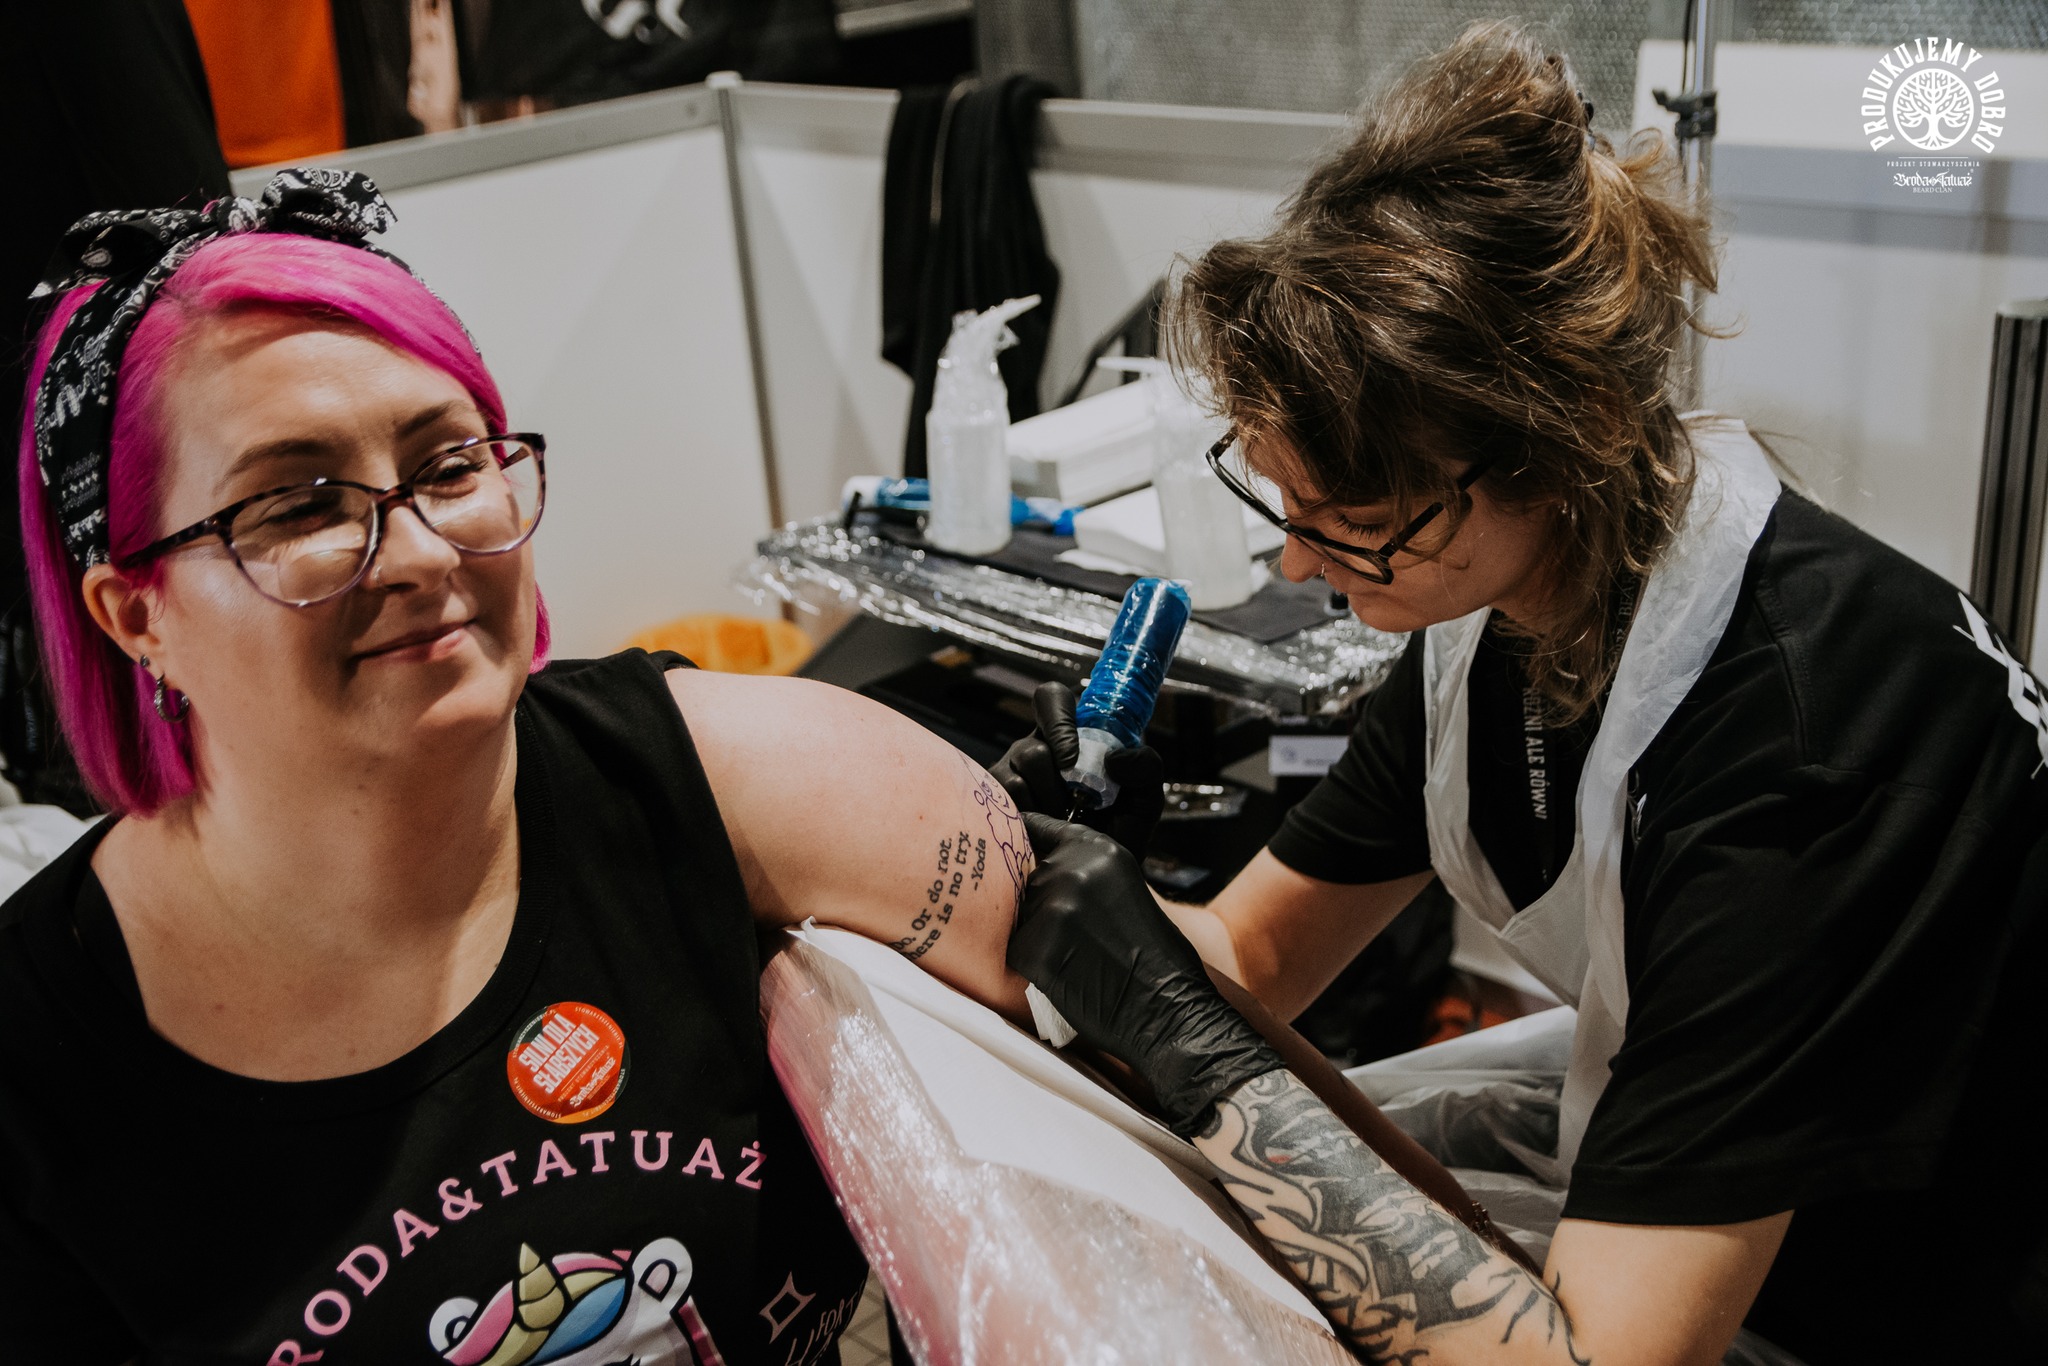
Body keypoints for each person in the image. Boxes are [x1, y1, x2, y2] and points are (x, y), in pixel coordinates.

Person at [996, 23, 2048, 1364]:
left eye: (1352, 521)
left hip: (1933, 1275)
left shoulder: (1796, 750)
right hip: (1743, 1149)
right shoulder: (1506, 613)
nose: (1299, 563)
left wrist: (1169, 1021)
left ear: (1555, 451)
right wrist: (1088, 882)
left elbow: (1606, 1356)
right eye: (1282, 501)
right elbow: (1254, 956)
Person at [0, 170, 1038, 1366]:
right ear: (136, 615)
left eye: (450, 465)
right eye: (297, 505)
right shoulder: (34, 1073)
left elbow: (1156, 1000)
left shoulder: (722, 776)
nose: (418, 552)